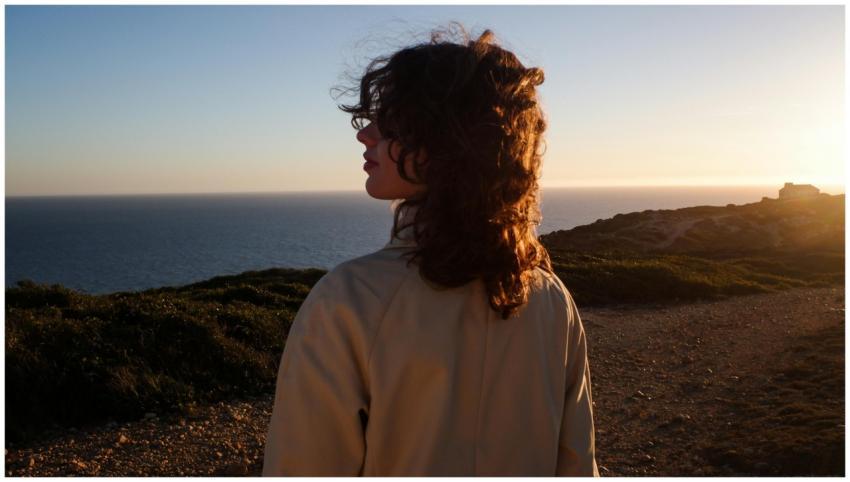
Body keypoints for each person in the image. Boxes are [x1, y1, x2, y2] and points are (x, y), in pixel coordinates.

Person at [262, 25, 599, 477]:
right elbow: (577, 467)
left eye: (393, 119)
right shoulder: (552, 300)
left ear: (452, 139)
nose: (366, 134)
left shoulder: (348, 301)